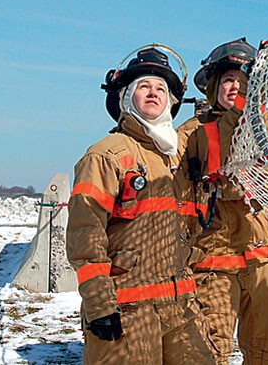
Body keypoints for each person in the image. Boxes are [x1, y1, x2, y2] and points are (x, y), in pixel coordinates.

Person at [66, 45, 214, 365]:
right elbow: (84, 234)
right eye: (144, 86)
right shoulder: (106, 155)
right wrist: (99, 304)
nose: (153, 92)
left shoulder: (175, 157)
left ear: (172, 102)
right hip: (127, 309)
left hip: (181, 306)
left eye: (161, 88)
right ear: (125, 96)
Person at [178, 38, 268, 364]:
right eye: (229, 79)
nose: (235, 86)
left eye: (242, 80)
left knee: (267, 353)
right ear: (214, 86)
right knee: (210, 351)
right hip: (212, 262)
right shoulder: (192, 132)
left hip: (267, 259)